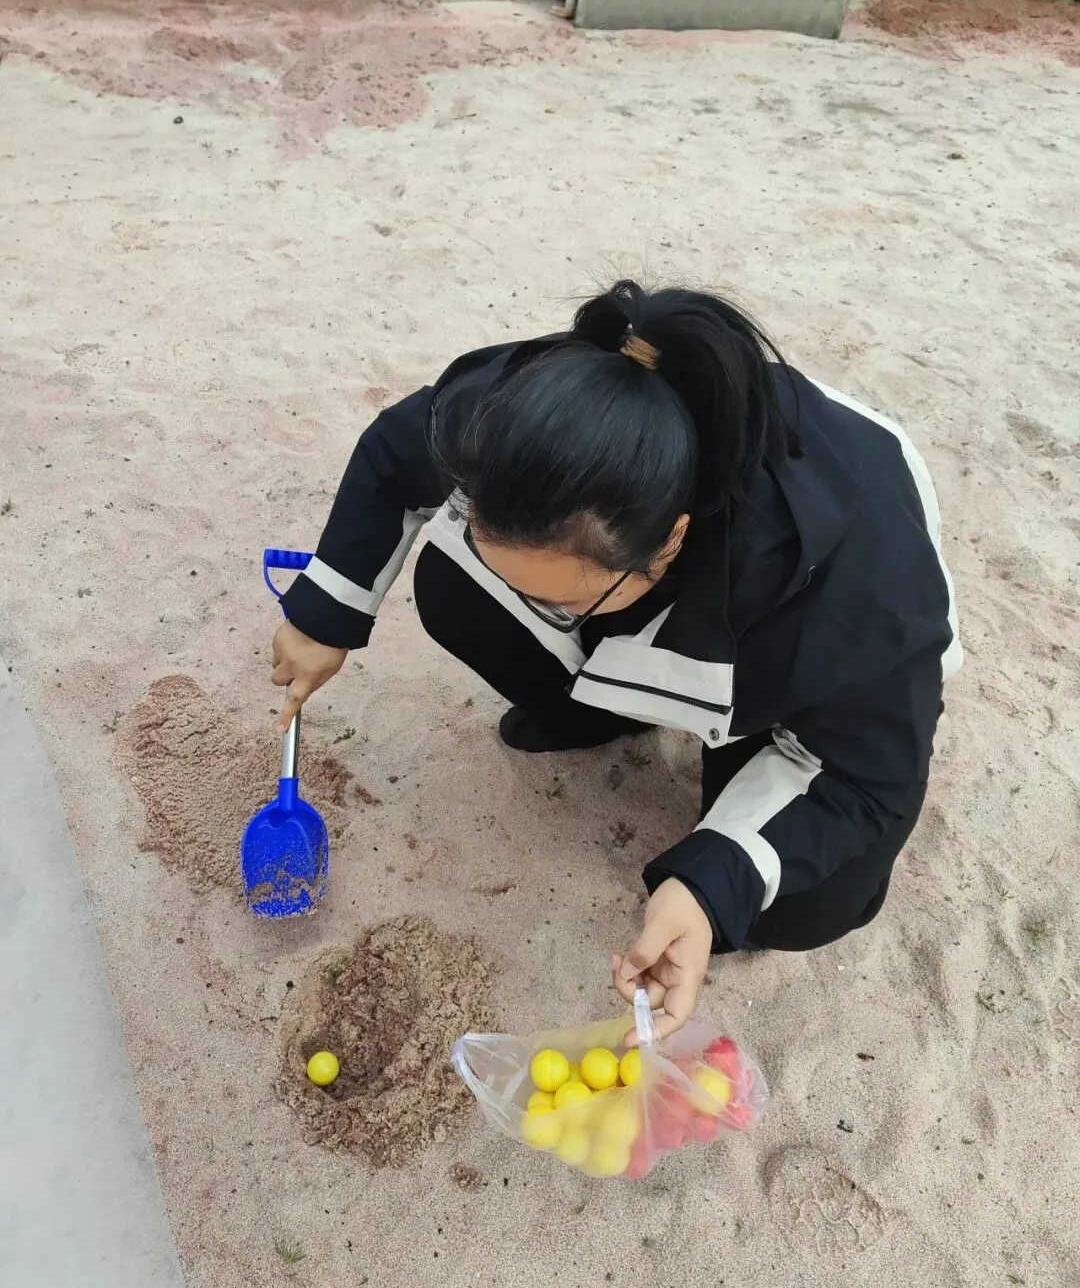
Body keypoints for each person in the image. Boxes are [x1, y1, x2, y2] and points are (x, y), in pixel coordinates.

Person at [271, 280, 961, 1038]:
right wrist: (325, 615)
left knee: (800, 905)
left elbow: (864, 778)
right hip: (665, 550)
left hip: (804, 646)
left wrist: (707, 887)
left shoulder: (859, 594)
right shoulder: (509, 427)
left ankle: (713, 744)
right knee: (457, 589)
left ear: (670, 542)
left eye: (559, 600)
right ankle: (601, 711)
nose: (528, 605)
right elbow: (394, 451)